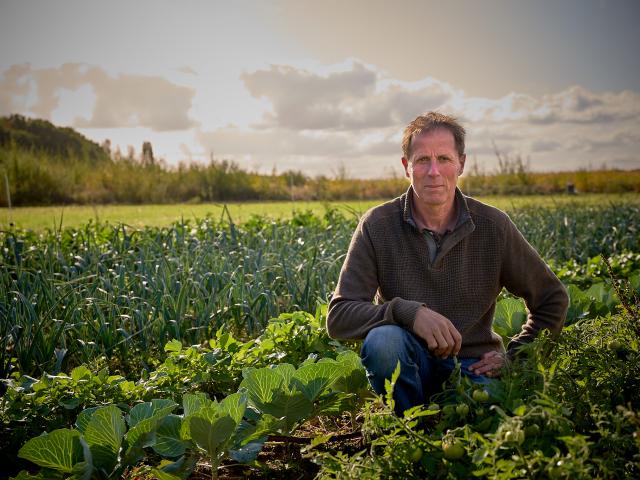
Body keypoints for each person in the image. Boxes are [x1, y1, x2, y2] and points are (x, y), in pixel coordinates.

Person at [326, 112, 569, 415]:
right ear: (406, 167)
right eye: (422, 160)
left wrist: (517, 357)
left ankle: (448, 427)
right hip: (409, 360)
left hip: (474, 366)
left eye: (444, 158)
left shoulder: (493, 226)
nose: (433, 171)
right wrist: (407, 313)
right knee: (384, 341)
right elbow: (339, 316)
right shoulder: (378, 224)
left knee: (483, 418)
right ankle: (409, 429)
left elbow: (552, 298)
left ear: (461, 164)